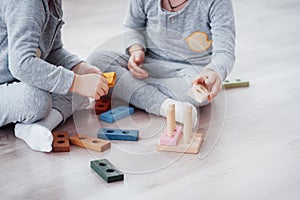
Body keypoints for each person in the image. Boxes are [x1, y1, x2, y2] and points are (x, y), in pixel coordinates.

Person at [88, 0, 236, 128]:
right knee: (96, 62)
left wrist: (213, 71)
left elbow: (225, 51)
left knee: (196, 95)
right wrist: (136, 50)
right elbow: (132, 27)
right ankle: (164, 105)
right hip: (148, 62)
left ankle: (131, 90)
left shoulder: (217, 2)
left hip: (191, 70)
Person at [0, 0, 109, 152]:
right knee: (36, 98)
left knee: (82, 91)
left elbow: (52, 50)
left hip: (18, 80)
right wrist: (76, 82)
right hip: (8, 82)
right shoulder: (26, 3)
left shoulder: (53, 3)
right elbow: (21, 64)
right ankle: (34, 118)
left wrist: (78, 68)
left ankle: (38, 126)